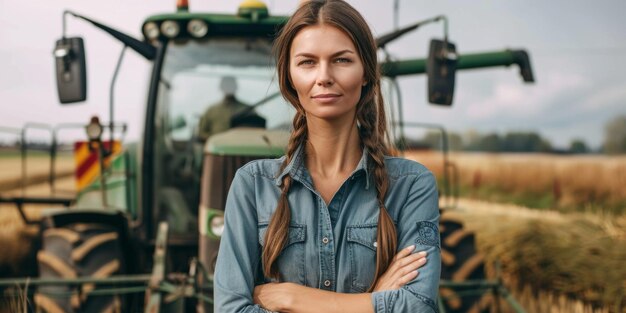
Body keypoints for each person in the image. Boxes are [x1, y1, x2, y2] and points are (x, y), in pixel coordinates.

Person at [214, 1, 440, 312]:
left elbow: (417, 307)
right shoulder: (252, 185)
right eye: (307, 62)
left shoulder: (412, 185)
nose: (324, 76)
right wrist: (373, 301)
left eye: (342, 60)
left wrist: (291, 297)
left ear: (365, 73)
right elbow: (230, 309)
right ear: (289, 77)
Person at [197, 76, 249, 141]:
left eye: (231, 85)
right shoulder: (211, 111)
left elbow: (257, 131)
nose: (228, 88)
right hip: (216, 149)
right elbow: (201, 133)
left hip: (242, 147)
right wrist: (215, 139)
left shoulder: (247, 110)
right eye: (226, 85)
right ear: (221, 87)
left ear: (235, 87)